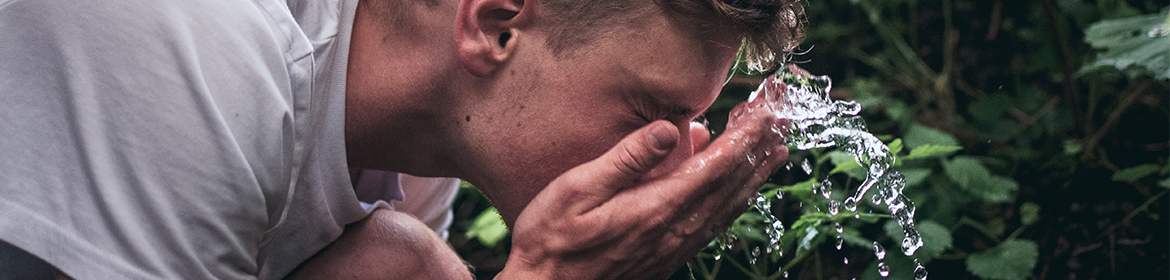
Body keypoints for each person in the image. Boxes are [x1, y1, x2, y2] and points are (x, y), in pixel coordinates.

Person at [0, 0, 804, 278]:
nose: (675, 154)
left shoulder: (419, 148)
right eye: (647, 112)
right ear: (495, 26)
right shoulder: (202, 49)